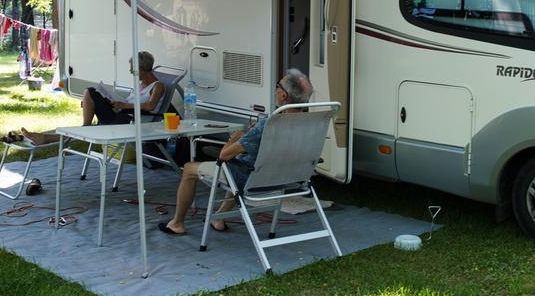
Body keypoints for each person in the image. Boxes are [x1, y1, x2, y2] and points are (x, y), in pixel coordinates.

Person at [159, 69, 313, 236]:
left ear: (283, 96)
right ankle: (218, 218)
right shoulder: (308, 124)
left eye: (278, 86)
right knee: (239, 163)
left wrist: (236, 138)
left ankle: (177, 223)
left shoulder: (269, 124)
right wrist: (249, 139)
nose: (275, 89)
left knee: (190, 169)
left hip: (253, 179)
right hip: (288, 178)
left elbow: (223, 156)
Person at [16, 51, 165, 145]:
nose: (131, 72)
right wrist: (118, 102)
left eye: (133, 69)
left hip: (132, 122)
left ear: (141, 69)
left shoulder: (157, 86)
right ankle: (51, 136)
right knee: (92, 92)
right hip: (122, 115)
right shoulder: (140, 85)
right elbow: (133, 102)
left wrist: (125, 106)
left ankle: (49, 137)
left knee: (91, 92)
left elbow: (150, 107)